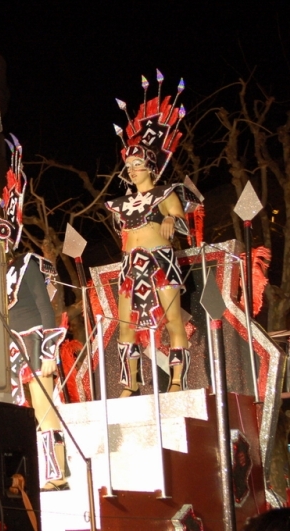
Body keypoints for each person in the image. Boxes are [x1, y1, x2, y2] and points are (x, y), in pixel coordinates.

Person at [0, 134, 68, 491]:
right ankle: (25, 475)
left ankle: (57, 474)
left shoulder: (26, 263)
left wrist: (49, 352)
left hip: (34, 344)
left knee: (44, 409)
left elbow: (46, 308)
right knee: (18, 416)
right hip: (8, 352)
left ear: (7, 241)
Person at [104, 72, 200, 397]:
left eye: (137, 164)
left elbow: (182, 221)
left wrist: (173, 222)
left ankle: (177, 379)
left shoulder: (165, 193)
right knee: (126, 325)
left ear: (150, 166)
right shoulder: (121, 203)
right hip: (130, 266)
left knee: (173, 320)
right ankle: (131, 382)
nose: (131, 169)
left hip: (161, 261)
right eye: (128, 165)